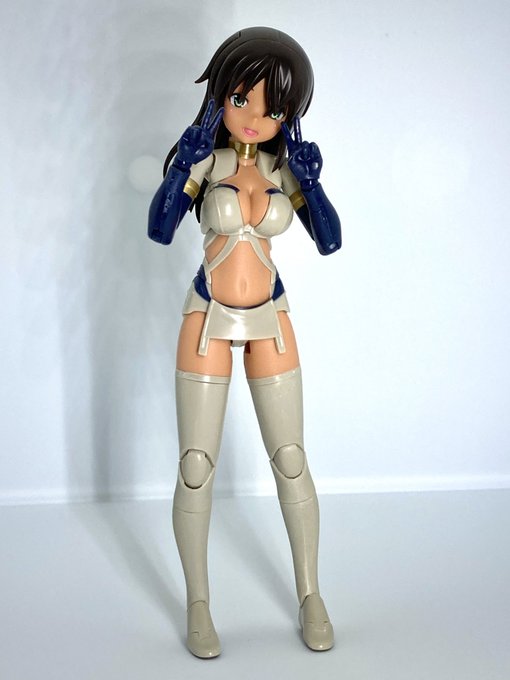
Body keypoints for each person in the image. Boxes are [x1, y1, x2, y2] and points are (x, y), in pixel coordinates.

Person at [148, 26, 341, 658]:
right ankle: (199, 604)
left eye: (273, 107)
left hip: (270, 316)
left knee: (291, 459)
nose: (255, 116)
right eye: (241, 98)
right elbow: (159, 229)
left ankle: (311, 593)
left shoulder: (285, 167)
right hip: (208, 315)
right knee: (196, 466)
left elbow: (329, 240)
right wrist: (183, 166)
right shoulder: (206, 162)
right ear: (219, 97)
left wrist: (311, 184)